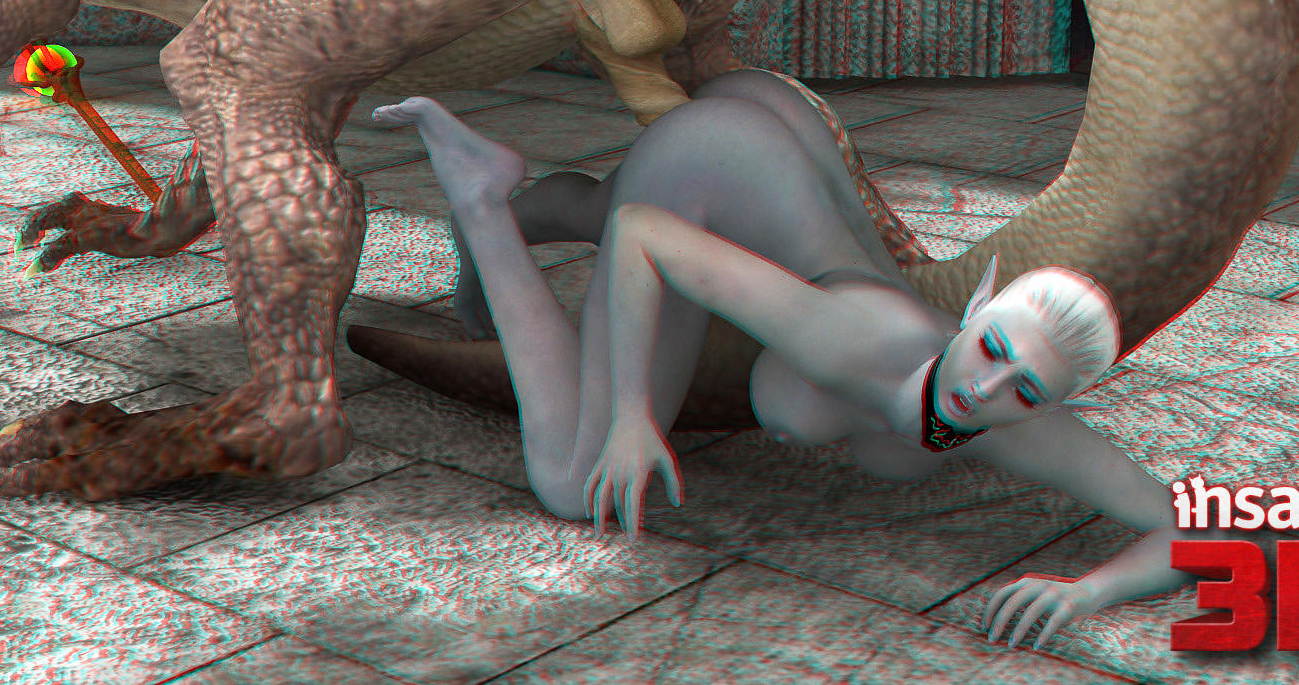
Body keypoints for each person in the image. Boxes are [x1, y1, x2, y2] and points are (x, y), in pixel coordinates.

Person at [372, 72, 1198, 649]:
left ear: (1050, 404)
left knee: (601, 205)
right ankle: (481, 196)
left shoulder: (1025, 428)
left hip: (772, 146)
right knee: (569, 476)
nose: (985, 389)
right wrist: (629, 416)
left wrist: (1089, 589)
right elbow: (642, 236)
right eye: (992, 349)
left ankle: (506, 216)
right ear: (976, 310)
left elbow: (1202, 527)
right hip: (714, 160)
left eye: (1025, 389)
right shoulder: (855, 340)